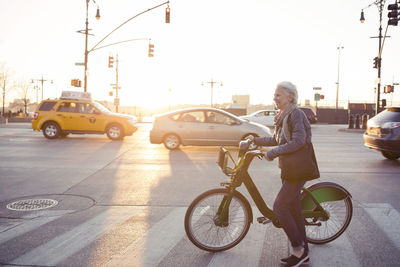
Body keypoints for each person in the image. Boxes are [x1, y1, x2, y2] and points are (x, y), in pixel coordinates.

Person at [247, 81, 317, 267]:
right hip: (289, 169)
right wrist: (255, 140)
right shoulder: (283, 116)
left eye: (278, 95)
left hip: (298, 169)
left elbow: (299, 141)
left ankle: (297, 249)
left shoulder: (295, 114)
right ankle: (305, 253)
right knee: (294, 210)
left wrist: (272, 153)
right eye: (274, 94)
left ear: (290, 97)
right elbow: (276, 139)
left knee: (280, 207)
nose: (274, 98)